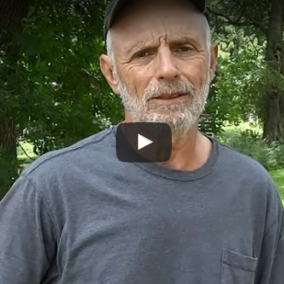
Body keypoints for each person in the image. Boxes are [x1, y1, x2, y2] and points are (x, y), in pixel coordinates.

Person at [0, 0, 283, 283]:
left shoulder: (252, 190)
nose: (167, 69)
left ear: (211, 62)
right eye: (143, 53)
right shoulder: (52, 189)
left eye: (184, 48)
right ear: (111, 74)